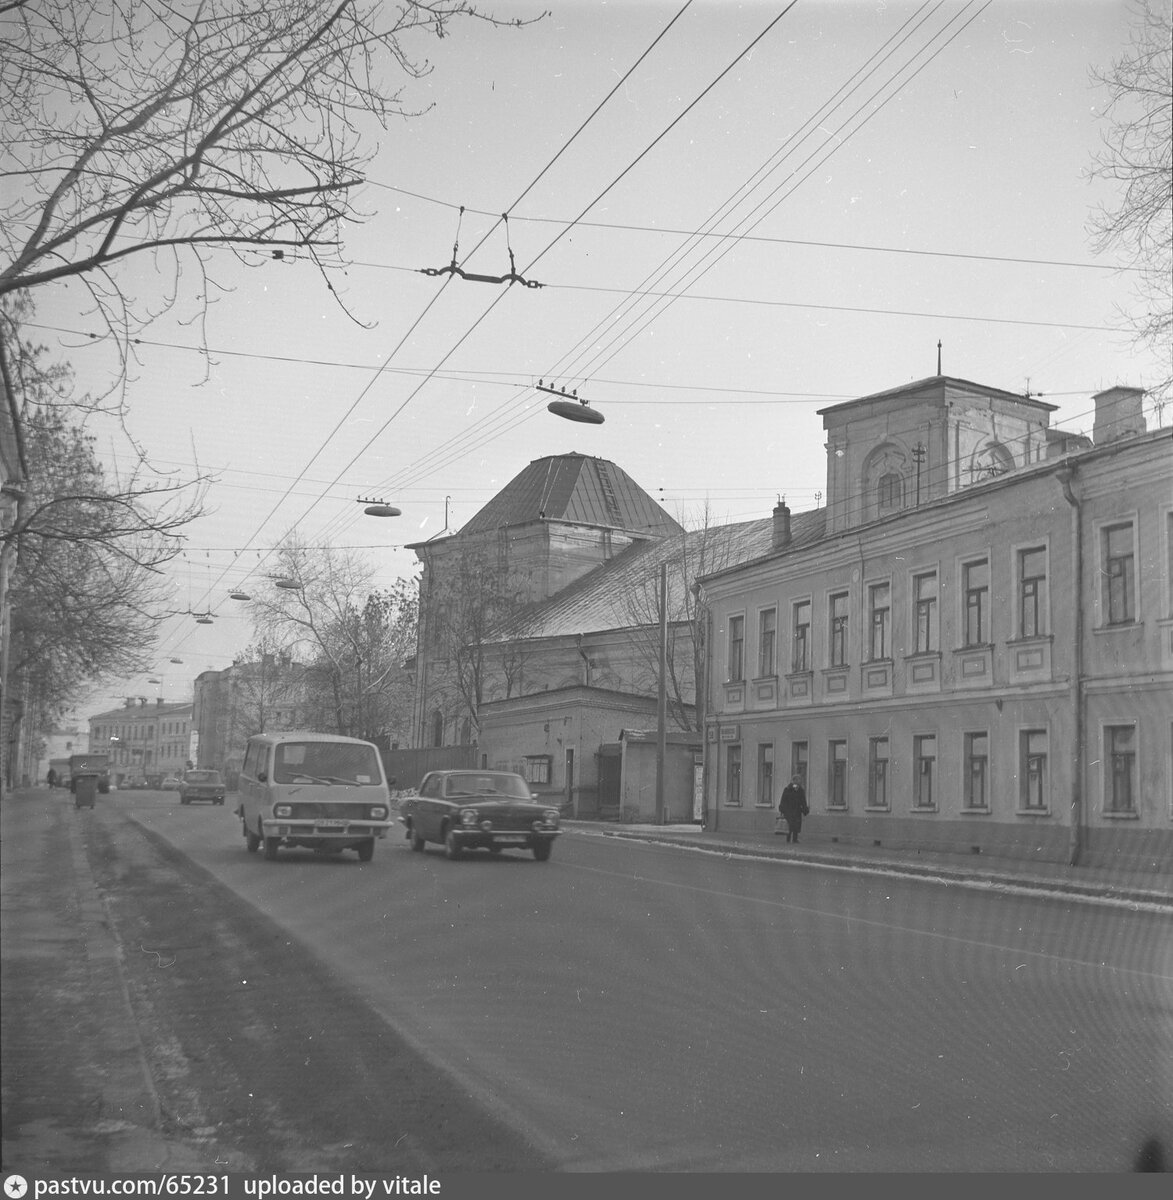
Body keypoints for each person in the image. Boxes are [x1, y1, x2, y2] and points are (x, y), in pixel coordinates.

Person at [778, 775, 809, 844]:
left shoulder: (801, 790)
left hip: (797, 810)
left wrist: (805, 809)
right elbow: (783, 800)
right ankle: (788, 838)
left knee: (796, 825)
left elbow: (803, 801)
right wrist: (782, 809)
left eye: (800, 780)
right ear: (794, 781)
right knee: (789, 825)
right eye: (797, 780)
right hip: (788, 811)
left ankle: (795, 839)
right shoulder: (787, 789)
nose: (799, 782)